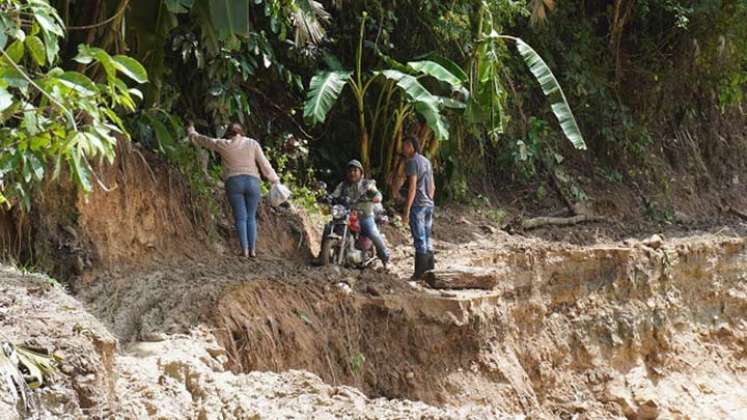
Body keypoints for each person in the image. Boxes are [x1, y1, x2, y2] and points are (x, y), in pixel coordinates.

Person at [187, 122, 279, 258]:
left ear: (229, 133)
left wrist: (192, 132)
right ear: (242, 132)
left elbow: (205, 141)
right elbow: (264, 163)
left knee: (241, 217)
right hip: (253, 182)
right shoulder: (252, 143)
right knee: (251, 217)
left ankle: (245, 250)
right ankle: (253, 250)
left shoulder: (224, 144)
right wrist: (274, 179)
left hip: (234, 182)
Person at [329, 160, 390, 267]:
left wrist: (376, 197)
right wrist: (328, 198)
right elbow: (334, 195)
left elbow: (377, 194)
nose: (352, 173)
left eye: (355, 170)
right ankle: (322, 255)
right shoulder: (343, 185)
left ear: (361, 173)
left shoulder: (367, 184)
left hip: (364, 216)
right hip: (346, 214)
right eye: (350, 171)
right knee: (329, 227)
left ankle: (385, 258)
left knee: (373, 234)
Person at [402, 136, 435, 279]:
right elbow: (432, 186)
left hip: (418, 205)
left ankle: (419, 274)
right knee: (427, 237)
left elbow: (412, 188)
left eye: (404, 146)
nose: (402, 149)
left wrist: (407, 209)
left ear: (410, 147)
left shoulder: (412, 162)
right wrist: (429, 200)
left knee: (420, 238)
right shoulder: (426, 161)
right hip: (429, 204)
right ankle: (430, 270)